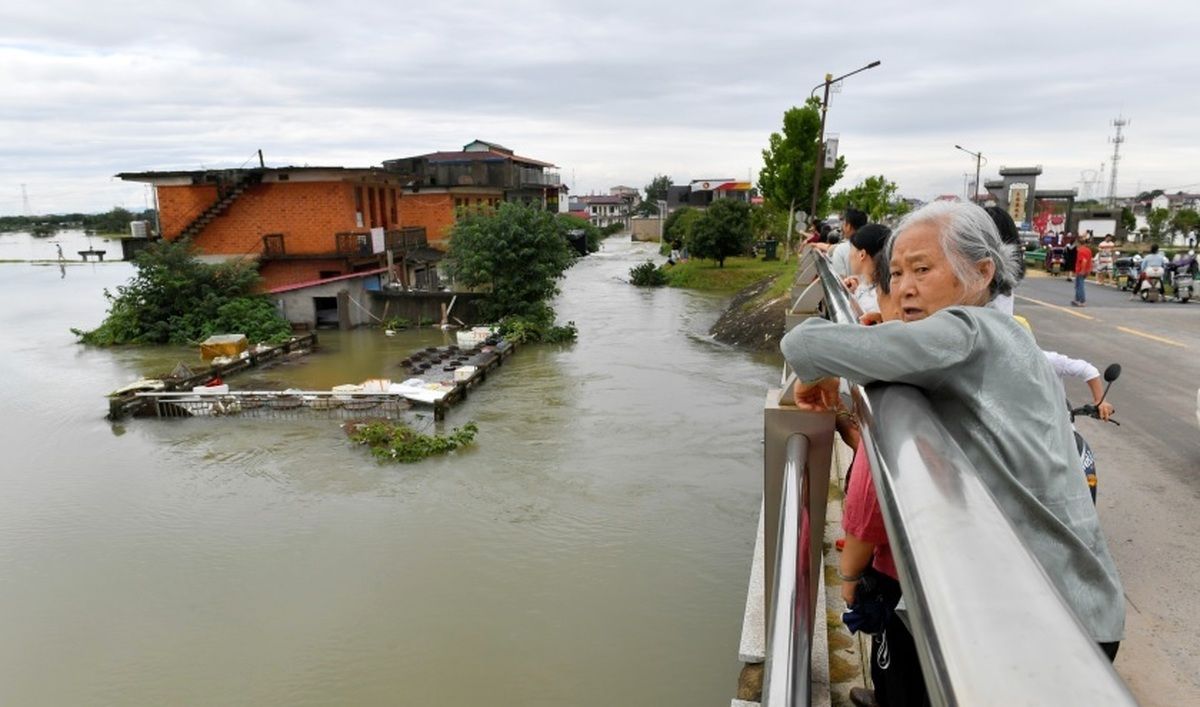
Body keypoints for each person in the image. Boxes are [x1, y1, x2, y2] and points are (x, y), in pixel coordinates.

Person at [782, 201, 1125, 663]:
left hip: (1057, 619)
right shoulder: (1008, 333)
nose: (904, 288)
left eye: (922, 270)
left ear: (982, 272)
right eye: (897, 273)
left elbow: (802, 341)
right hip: (1073, 601)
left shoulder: (965, 331)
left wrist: (819, 369)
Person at [841, 223, 891, 316]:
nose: (849, 255)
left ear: (862, 255)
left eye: (851, 249)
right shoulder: (881, 289)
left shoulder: (875, 300)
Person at [1071, 236, 1093, 307]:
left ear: (1078, 243)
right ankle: (1077, 300)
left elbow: (1084, 261)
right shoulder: (1088, 250)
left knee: (1080, 286)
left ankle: (1081, 301)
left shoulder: (1081, 251)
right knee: (1078, 285)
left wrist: (1082, 270)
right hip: (1087, 269)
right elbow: (1090, 260)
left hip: (1081, 270)